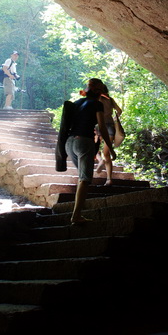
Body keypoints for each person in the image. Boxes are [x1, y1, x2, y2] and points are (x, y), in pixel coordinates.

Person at [65, 78, 116, 225]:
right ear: (98, 92)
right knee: (84, 179)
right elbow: (102, 126)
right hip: (84, 142)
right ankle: (76, 216)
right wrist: (110, 148)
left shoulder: (77, 103)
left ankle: (77, 214)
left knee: (83, 177)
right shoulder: (97, 104)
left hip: (70, 142)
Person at [93, 89, 123, 186]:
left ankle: (100, 160)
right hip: (110, 125)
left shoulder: (96, 100)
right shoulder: (110, 99)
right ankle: (109, 179)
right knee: (107, 153)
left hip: (98, 126)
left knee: (95, 150)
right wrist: (114, 118)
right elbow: (119, 111)